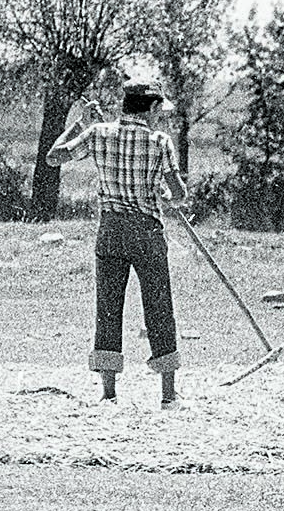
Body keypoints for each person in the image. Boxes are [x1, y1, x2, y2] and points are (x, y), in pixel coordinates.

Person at [47, 80, 189, 408]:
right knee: (159, 307)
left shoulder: (98, 133)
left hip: (110, 229)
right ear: (152, 108)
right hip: (146, 231)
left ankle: (109, 395)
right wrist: (166, 194)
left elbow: (54, 158)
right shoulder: (159, 141)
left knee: (108, 309)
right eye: (159, 111)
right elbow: (178, 194)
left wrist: (80, 125)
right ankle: (168, 396)